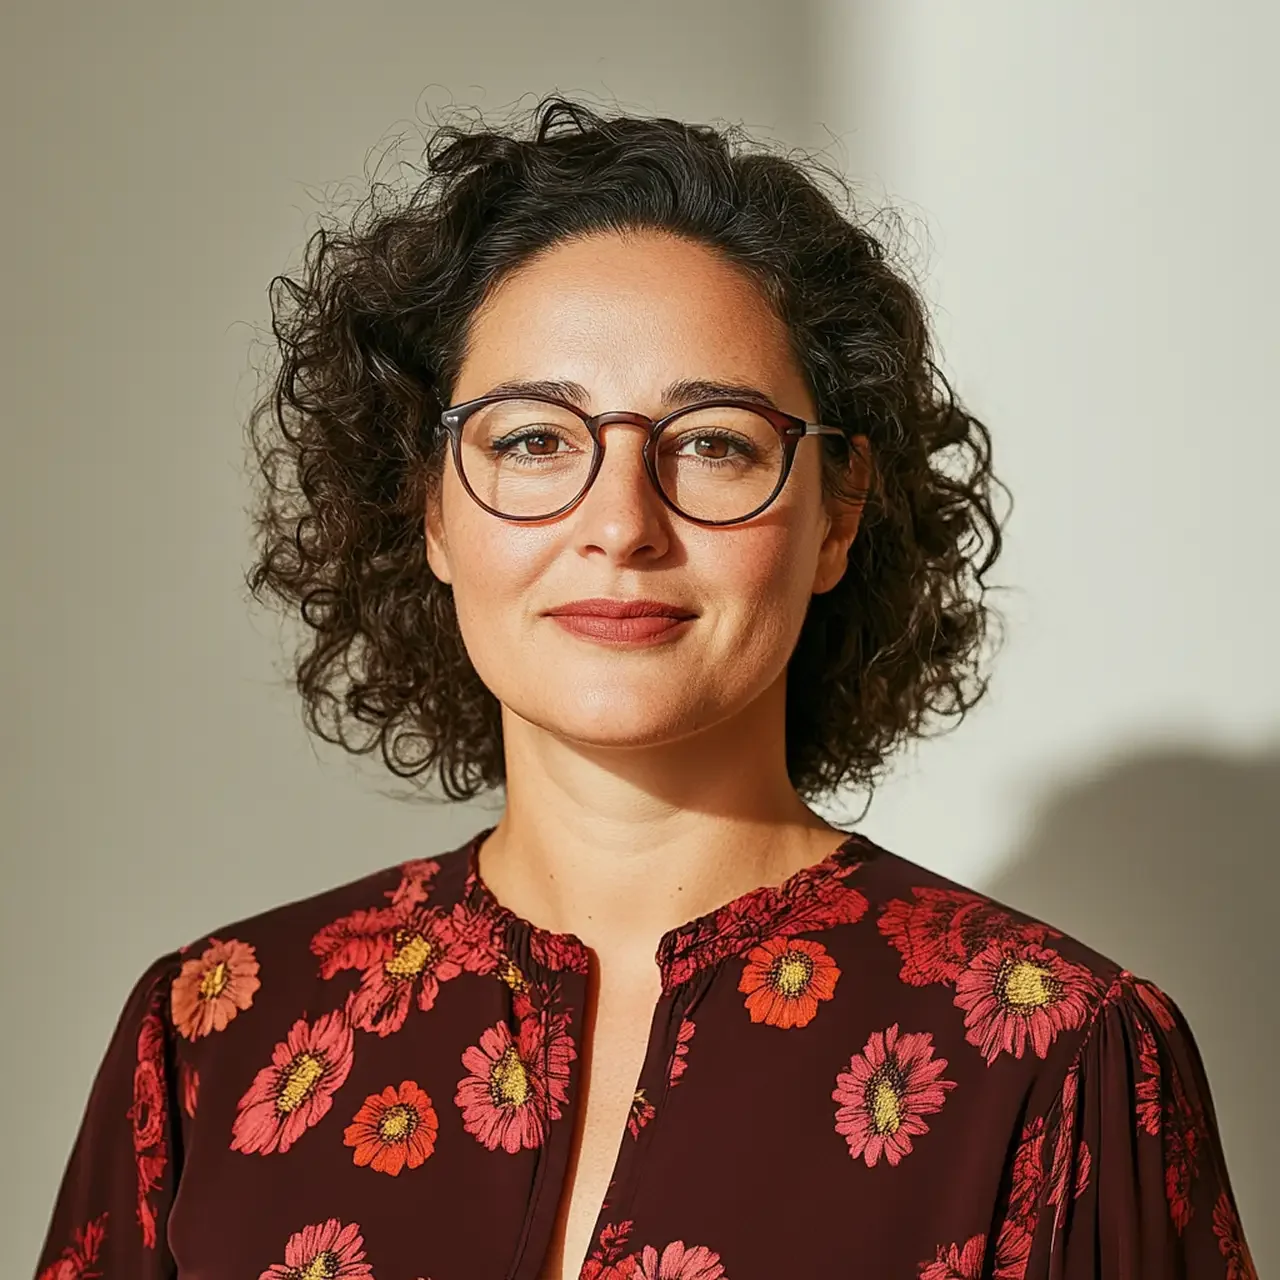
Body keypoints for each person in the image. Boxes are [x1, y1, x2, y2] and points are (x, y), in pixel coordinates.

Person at [34, 95, 1256, 1280]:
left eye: (714, 441)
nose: (619, 522)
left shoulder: (1058, 1055)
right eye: (531, 440)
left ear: (837, 514)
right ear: (429, 509)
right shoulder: (207, 1038)